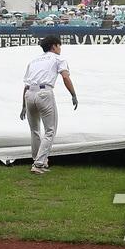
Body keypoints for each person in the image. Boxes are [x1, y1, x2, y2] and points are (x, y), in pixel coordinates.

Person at [19, 34, 77, 174]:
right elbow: (65, 77)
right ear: (54, 46)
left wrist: (23, 105)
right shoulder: (58, 58)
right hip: (44, 93)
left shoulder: (33, 61)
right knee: (50, 131)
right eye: (59, 46)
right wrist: (73, 94)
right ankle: (39, 164)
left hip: (29, 94)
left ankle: (39, 160)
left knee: (35, 131)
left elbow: (26, 85)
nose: (60, 49)